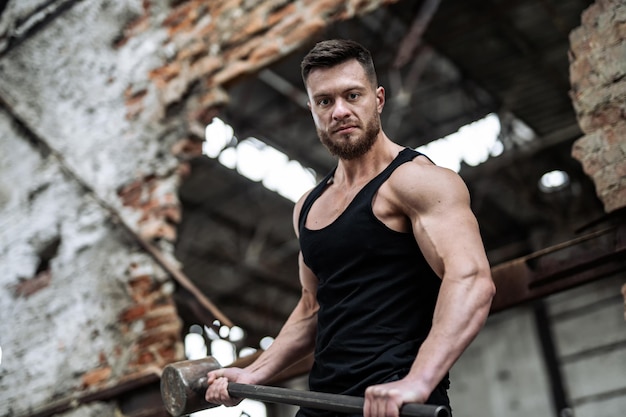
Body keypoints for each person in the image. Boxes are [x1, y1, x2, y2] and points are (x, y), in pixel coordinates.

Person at [205, 39, 495, 417]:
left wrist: (418, 381)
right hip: (323, 402)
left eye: (352, 95)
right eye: (325, 101)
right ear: (312, 109)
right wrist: (253, 372)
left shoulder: (417, 182)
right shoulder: (307, 207)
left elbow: (471, 279)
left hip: (395, 403)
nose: (340, 111)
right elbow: (312, 306)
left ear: (378, 98)